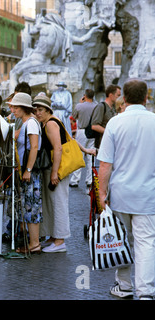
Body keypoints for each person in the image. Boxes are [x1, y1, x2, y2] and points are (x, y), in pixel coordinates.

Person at [98, 79, 155, 300]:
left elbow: (105, 164)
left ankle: (123, 286)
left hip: (120, 193)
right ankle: (146, 292)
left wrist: (102, 194)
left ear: (124, 99)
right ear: (145, 97)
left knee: (120, 240)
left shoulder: (114, 123)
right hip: (148, 194)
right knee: (146, 242)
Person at [33, 94, 70, 253]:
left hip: (56, 169)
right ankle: (54, 238)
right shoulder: (50, 122)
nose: (38, 113)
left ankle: (60, 240)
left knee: (58, 203)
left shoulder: (50, 124)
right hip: (51, 168)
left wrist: (55, 172)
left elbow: (59, 148)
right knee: (51, 203)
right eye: (35, 110)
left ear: (48, 109)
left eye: (40, 110)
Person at [10, 93, 43, 254]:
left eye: (15, 107)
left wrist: (28, 170)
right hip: (26, 170)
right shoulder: (26, 123)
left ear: (23, 108)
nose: (12, 110)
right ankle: (33, 242)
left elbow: (34, 147)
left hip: (31, 171)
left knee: (32, 207)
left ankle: (35, 244)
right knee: (28, 206)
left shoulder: (30, 123)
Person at [70, 88, 97, 188]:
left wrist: (80, 103)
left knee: (79, 155)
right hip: (93, 131)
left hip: (82, 131)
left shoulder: (79, 106)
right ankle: (90, 179)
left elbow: (73, 116)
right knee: (91, 156)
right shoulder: (96, 106)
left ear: (84, 96)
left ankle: (75, 180)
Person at [90, 84, 121, 148]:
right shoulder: (101, 106)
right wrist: (109, 133)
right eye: (118, 95)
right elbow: (94, 126)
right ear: (111, 95)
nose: (119, 98)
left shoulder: (113, 108)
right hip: (102, 143)